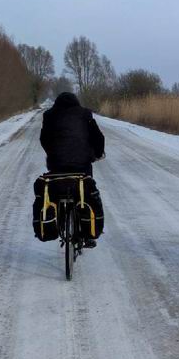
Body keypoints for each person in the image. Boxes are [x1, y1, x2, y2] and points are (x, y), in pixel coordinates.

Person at [40, 92, 105, 246]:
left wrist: (52, 152)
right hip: (81, 166)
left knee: (57, 188)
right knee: (86, 188)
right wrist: (97, 153)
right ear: (76, 103)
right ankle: (87, 234)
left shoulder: (49, 115)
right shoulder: (85, 114)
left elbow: (44, 139)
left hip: (56, 165)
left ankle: (59, 219)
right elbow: (98, 137)